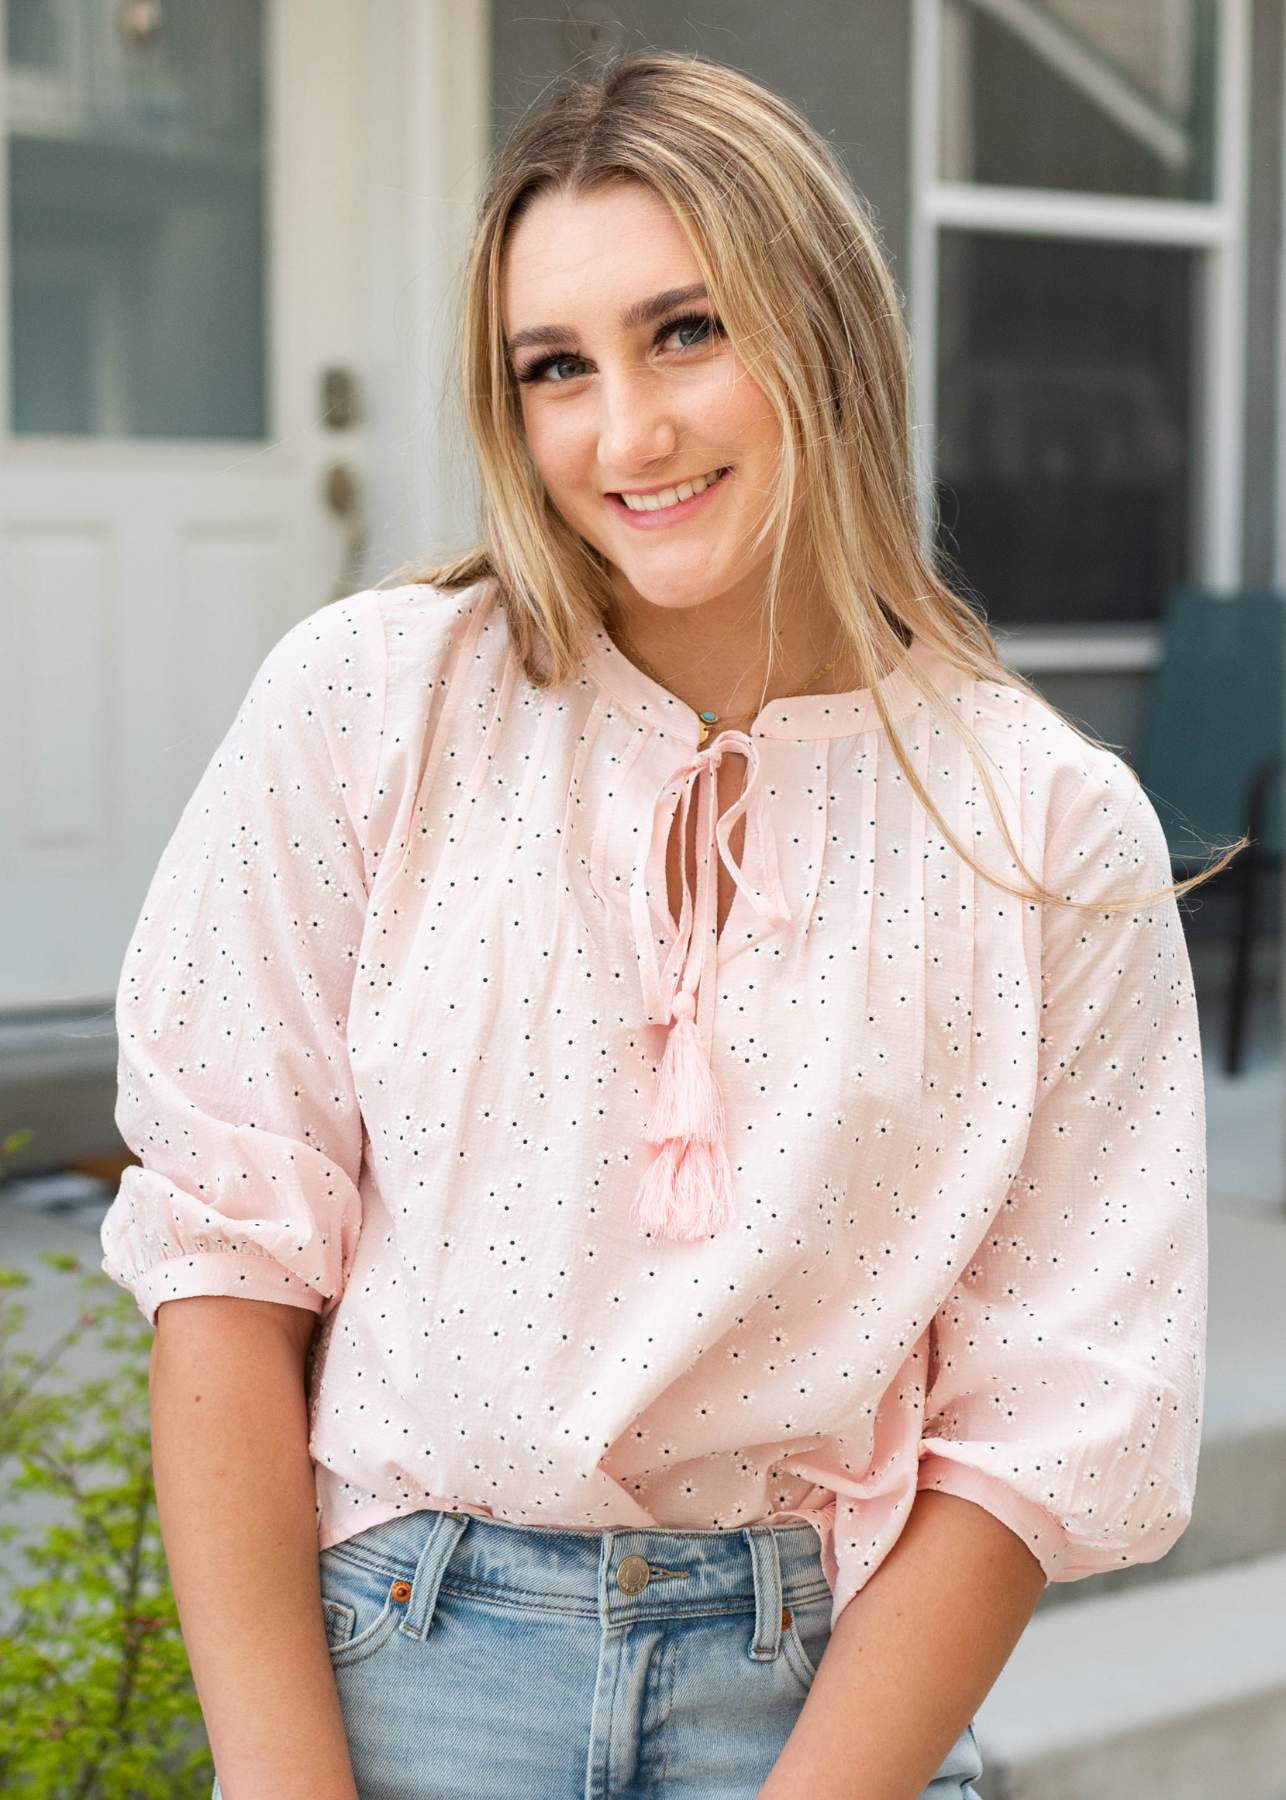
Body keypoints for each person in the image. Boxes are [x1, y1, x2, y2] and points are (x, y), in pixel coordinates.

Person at [101, 52, 1207, 1800]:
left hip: (823, 1698)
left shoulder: (1045, 832)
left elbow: (1044, 1423)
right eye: (558, 368)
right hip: (399, 1659)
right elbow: (229, 1264)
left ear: (823, 327)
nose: (625, 435)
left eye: (686, 332)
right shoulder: (375, 706)